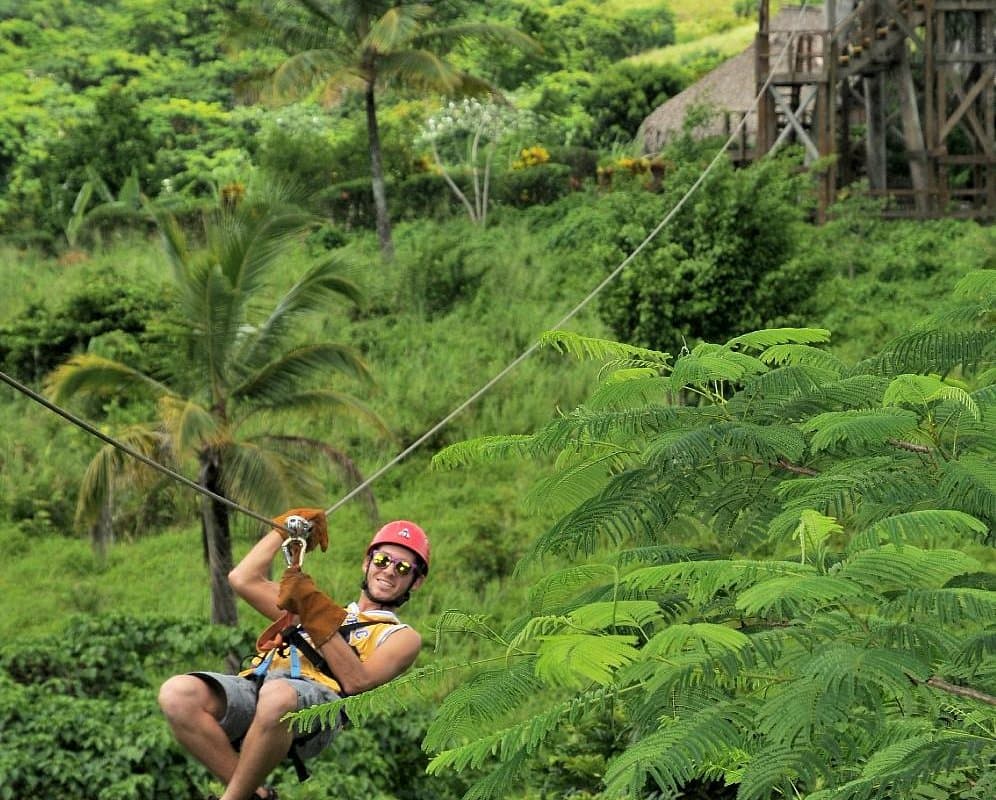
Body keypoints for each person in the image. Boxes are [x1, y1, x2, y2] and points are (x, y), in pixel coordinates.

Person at [158, 510, 430, 800]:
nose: (388, 570)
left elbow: (356, 682)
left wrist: (310, 605)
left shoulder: (400, 636)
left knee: (278, 695)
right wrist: (283, 531)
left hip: (316, 708)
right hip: (263, 687)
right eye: (382, 560)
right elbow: (243, 579)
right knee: (177, 695)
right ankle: (256, 794)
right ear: (367, 563)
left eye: (402, 569)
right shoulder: (325, 610)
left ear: (415, 582)